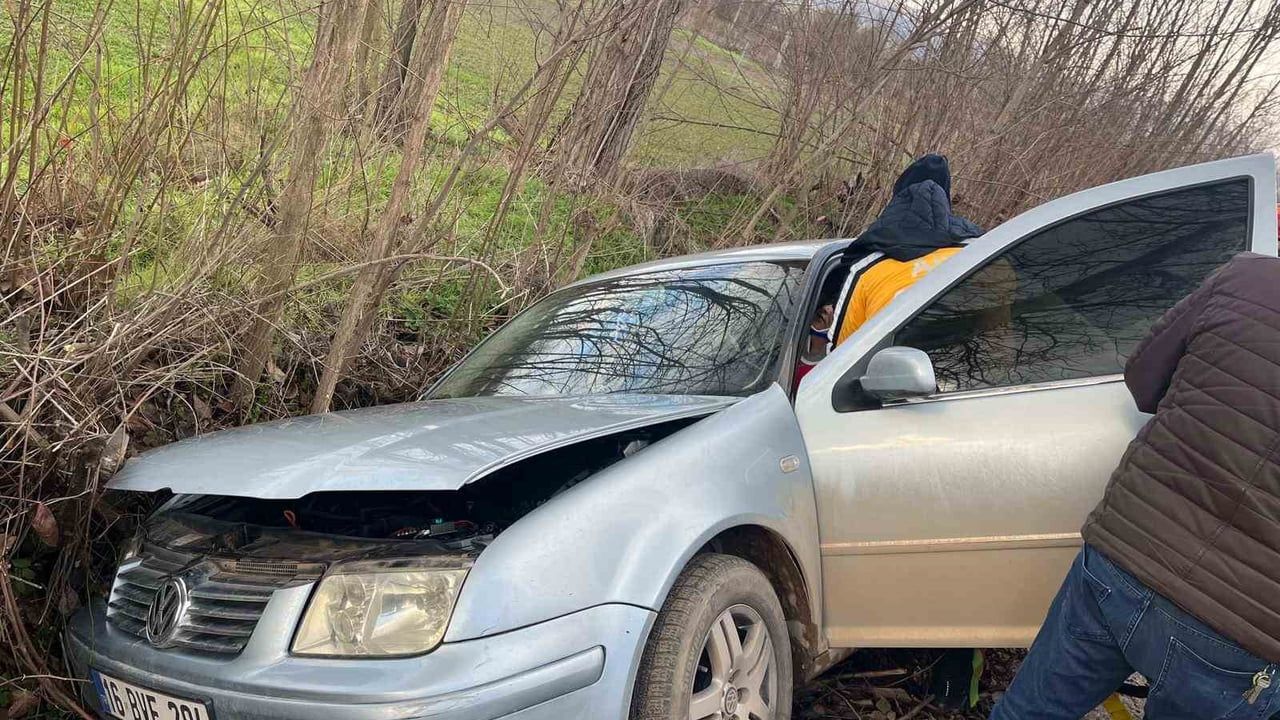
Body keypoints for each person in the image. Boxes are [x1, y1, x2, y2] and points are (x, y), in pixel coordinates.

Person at [991, 253, 1280, 719]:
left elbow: (1144, 380)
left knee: (1025, 713)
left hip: (1125, 560)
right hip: (1241, 636)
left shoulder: (1248, 276)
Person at [830, 153, 983, 347]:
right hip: (972, 361)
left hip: (883, 364)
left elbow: (840, 352)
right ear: (945, 199)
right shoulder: (982, 256)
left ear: (898, 196)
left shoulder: (867, 269)